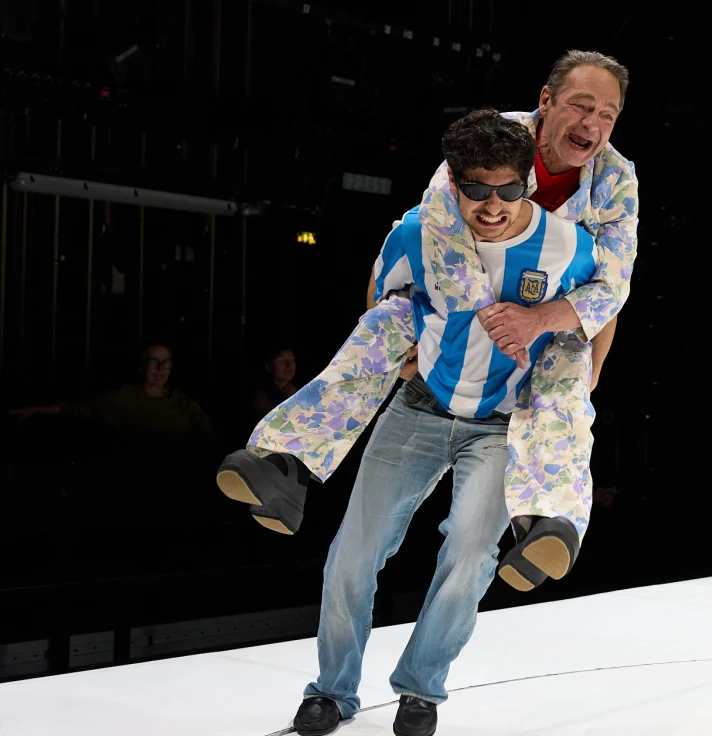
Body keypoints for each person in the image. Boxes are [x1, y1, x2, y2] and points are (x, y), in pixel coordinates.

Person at [216, 50, 636, 591]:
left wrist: (542, 330)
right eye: (581, 106)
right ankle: (285, 463)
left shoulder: (616, 179)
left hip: (542, 316)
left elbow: (613, 285)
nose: (592, 123)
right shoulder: (490, 139)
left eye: (607, 114)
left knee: (568, 376)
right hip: (459, 294)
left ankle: (546, 520)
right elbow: (437, 230)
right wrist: (478, 324)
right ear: (546, 101)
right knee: (386, 322)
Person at [290, 109, 602, 736]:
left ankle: (421, 686)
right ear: (454, 182)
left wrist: (587, 375)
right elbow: (382, 293)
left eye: (507, 189)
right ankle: (331, 689)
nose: (492, 205)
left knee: (469, 553)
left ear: (527, 183)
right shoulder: (419, 231)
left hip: (501, 425)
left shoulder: (568, 246)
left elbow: (604, 302)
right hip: (420, 407)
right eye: (477, 188)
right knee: (353, 553)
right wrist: (400, 354)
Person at [9, 343, 215, 447]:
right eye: (154, 363)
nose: (160, 369)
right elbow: (76, 408)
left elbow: (208, 439)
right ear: (142, 366)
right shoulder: (123, 398)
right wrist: (35, 409)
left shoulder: (184, 403)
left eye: (166, 363)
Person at [250, 346, 300, 420]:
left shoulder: (302, 389)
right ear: (269, 367)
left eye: (292, 359)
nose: (288, 364)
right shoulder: (261, 396)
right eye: (281, 360)